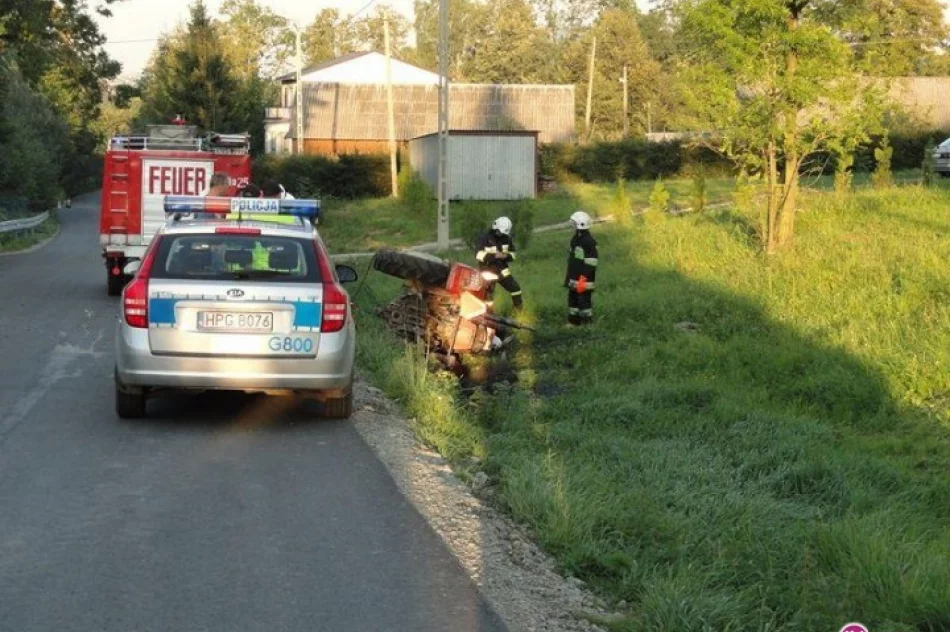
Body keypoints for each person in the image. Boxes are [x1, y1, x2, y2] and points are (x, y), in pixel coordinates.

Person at [475, 216, 523, 310]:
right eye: (499, 232)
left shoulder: (507, 239)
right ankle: (487, 313)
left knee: (516, 289)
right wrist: (493, 256)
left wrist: (505, 256)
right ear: (495, 228)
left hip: (502, 271)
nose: (500, 234)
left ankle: (518, 312)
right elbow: (478, 254)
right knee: (487, 295)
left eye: (502, 233)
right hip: (487, 270)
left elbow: (513, 255)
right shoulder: (485, 238)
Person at [564, 210, 598, 326]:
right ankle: (573, 322)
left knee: (583, 301)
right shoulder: (576, 238)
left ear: (580, 224)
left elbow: (592, 262)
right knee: (573, 299)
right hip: (575, 276)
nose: (572, 226)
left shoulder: (588, 241)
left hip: (584, 278)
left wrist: (582, 279)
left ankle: (587, 324)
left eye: (574, 223)